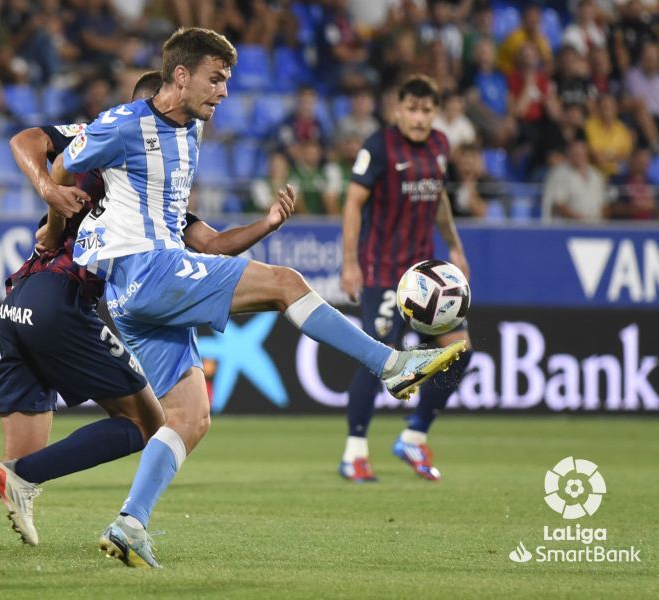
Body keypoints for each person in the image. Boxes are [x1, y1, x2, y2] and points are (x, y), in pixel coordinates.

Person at [57, 28, 466, 568]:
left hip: (136, 292)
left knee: (188, 417)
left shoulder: (189, 134)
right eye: (216, 78)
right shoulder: (124, 122)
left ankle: (130, 523)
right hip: (146, 271)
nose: (224, 91)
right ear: (180, 76)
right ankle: (391, 364)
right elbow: (59, 164)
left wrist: (268, 223)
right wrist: (51, 211)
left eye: (227, 80)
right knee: (285, 284)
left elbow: (204, 240)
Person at [0, 70, 297, 563]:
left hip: (18, 302)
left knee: (15, 465)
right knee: (148, 423)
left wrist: (267, 223)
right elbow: (28, 141)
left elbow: (214, 243)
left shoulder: (154, 198)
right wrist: (49, 192)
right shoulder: (109, 146)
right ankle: (25, 483)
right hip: (60, 301)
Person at [338, 75, 473, 484]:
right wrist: (349, 262)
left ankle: (414, 435)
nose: (419, 118)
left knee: (459, 349)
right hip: (382, 271)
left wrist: (456, 247)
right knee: (378, 358)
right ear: (398, 110)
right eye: (411, 109)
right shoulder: (378, 146)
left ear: (435, 112)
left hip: (426, 278)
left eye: (426, 110)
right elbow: (353, 203)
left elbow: (439, 199)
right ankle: (354, 452)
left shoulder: (440, 146)